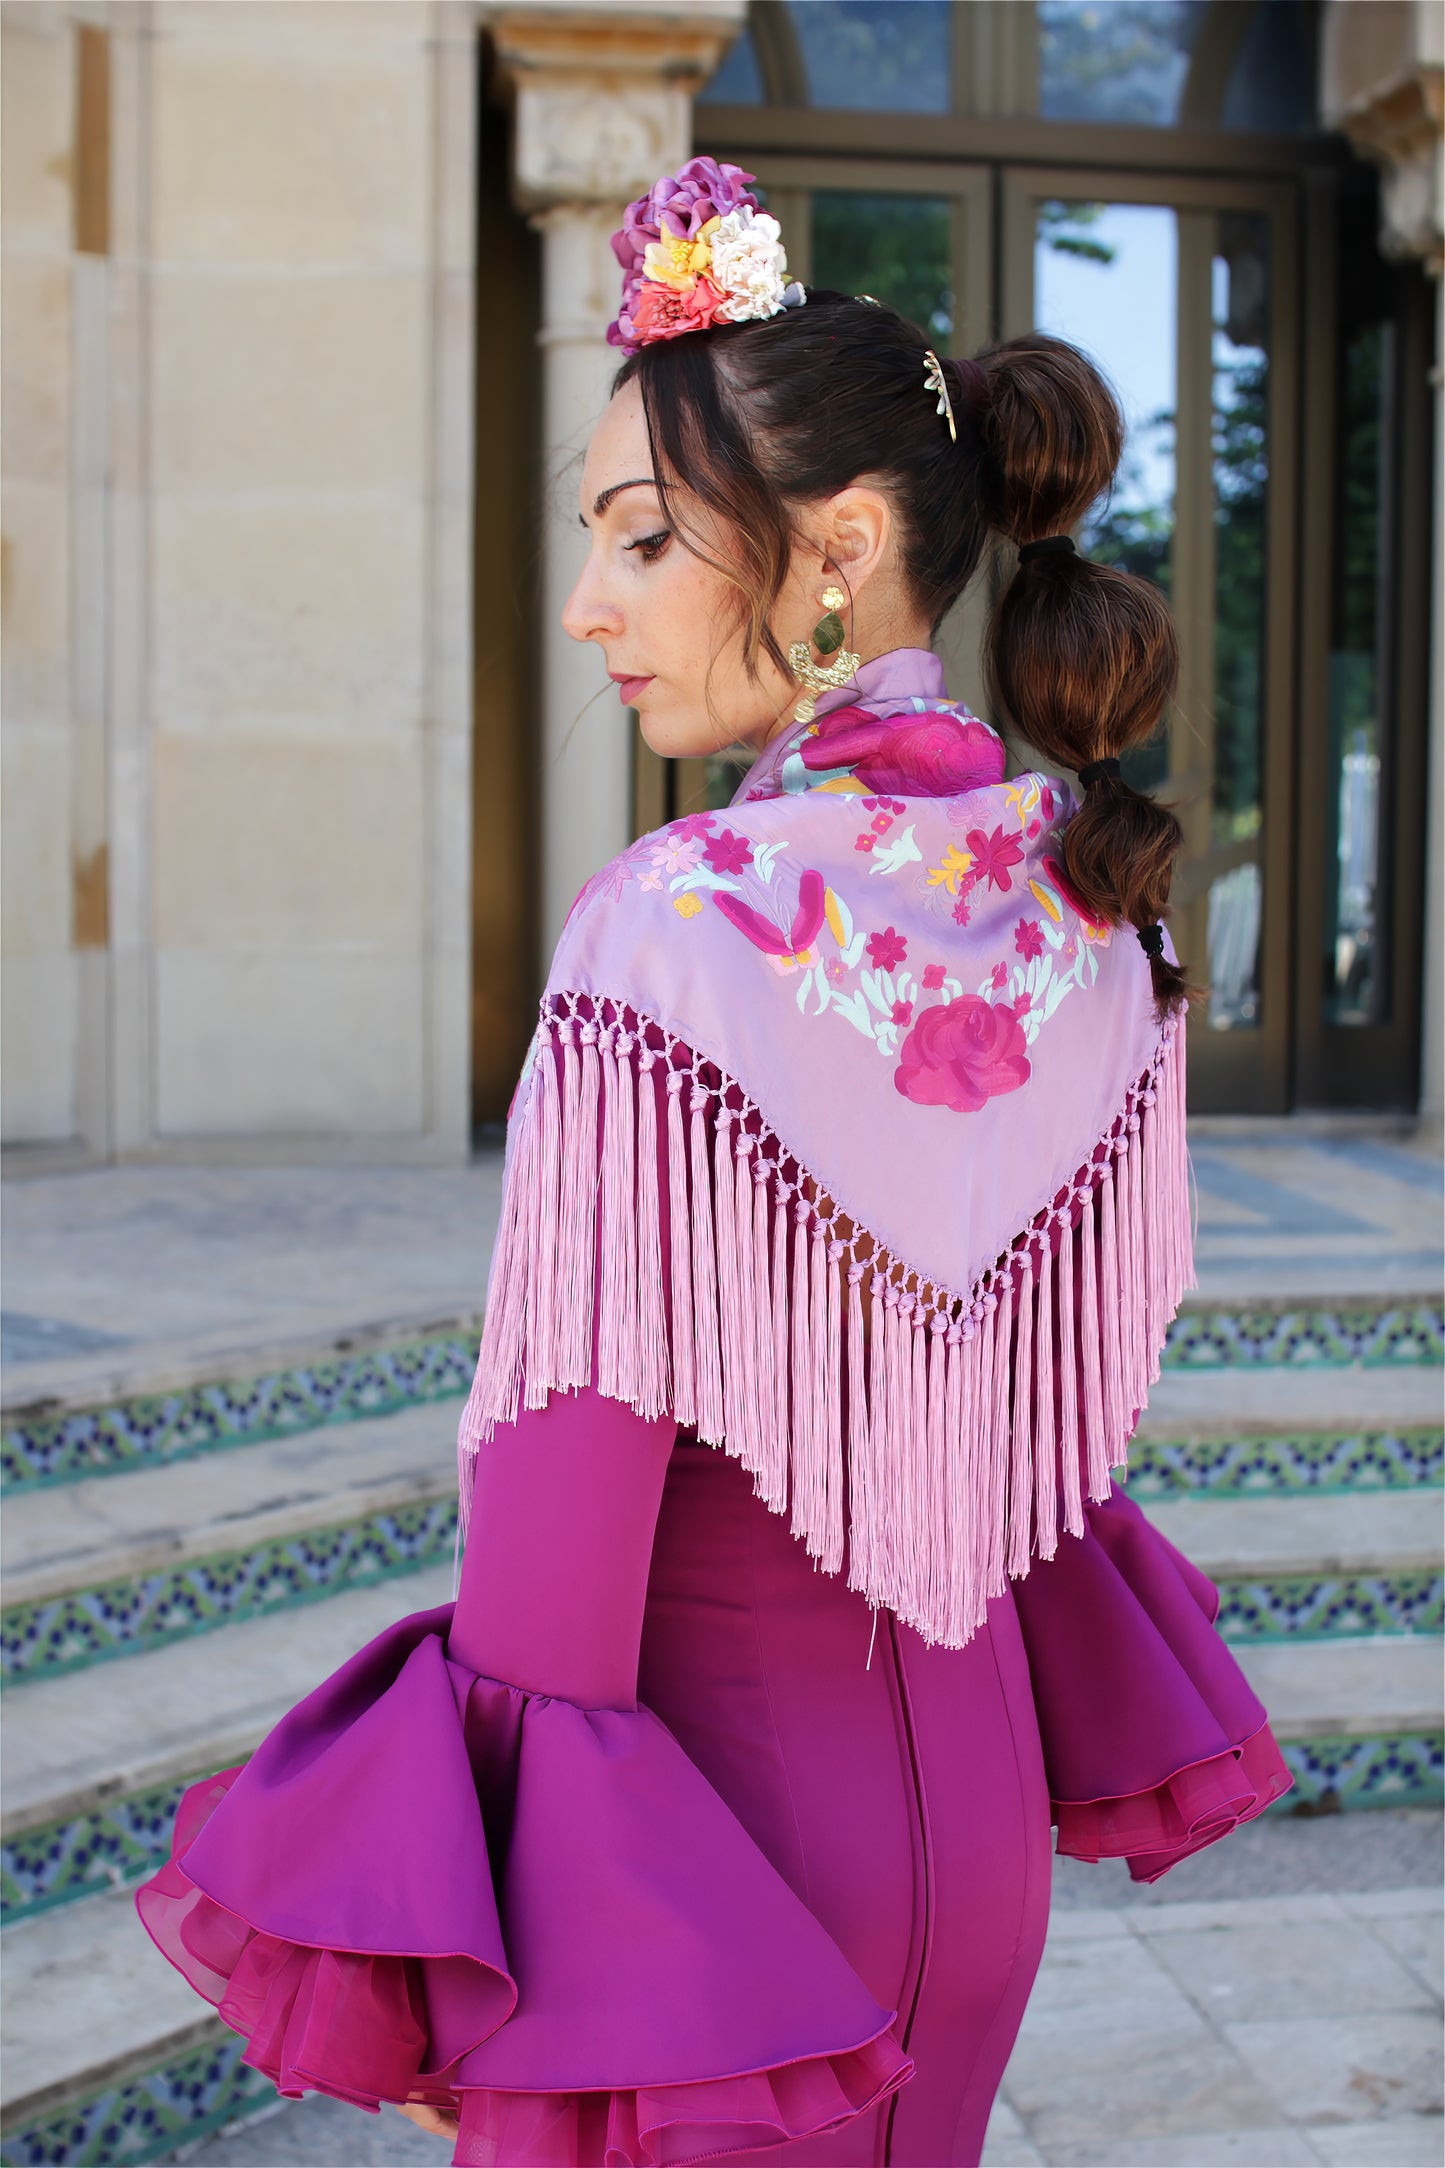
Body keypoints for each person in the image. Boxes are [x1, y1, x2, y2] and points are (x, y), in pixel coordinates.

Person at [134, 159, 1291, 2168]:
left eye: (645, 538)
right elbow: (1036, 1456)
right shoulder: (1098, 910)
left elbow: (565, 1528)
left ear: (840, 552)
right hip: (971, 1837)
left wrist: (464, 1951)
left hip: (711, 1900)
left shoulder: (680, 923)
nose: (591, 604)